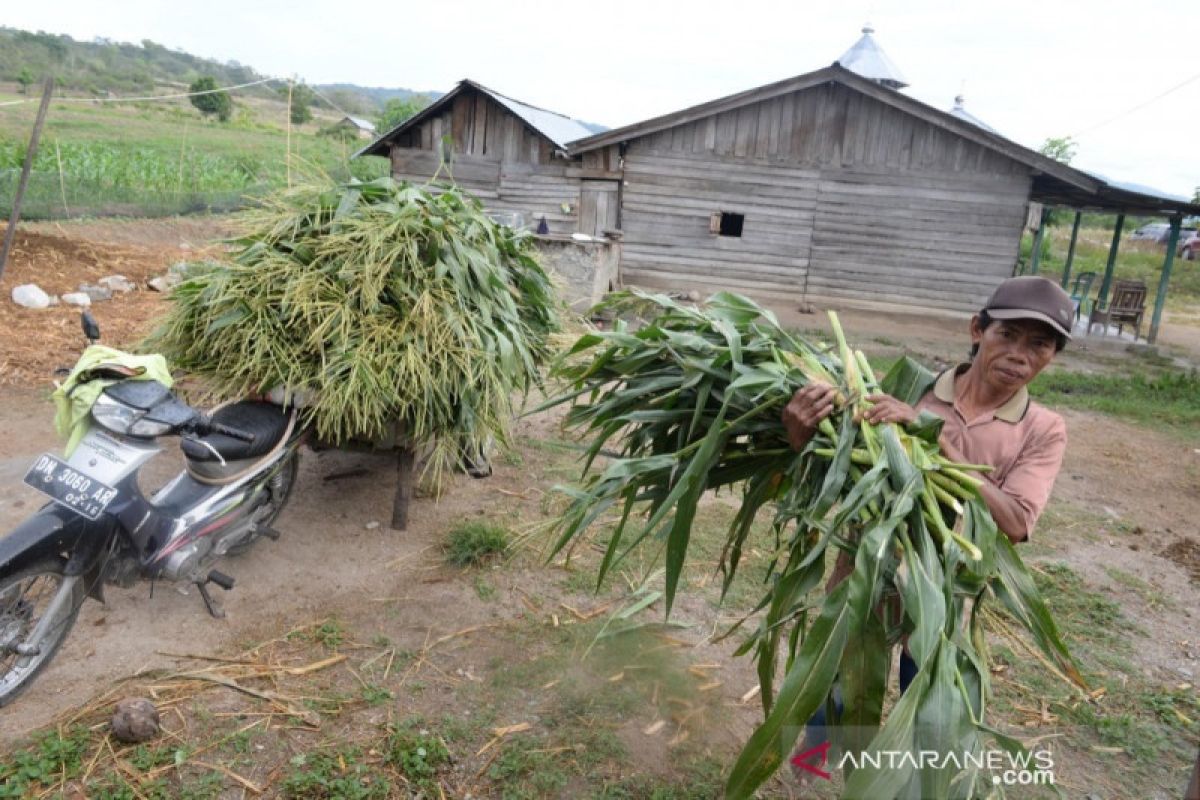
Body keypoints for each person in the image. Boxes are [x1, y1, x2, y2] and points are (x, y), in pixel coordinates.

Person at [781, 275, 1074, 761]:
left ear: (1052, 356)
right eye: (1008, 335)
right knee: (836, 688)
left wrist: (933, 436)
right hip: (865, 575)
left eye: (1039, 344)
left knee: (926, 710)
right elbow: (834, 465)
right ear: (978, 329)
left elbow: (1016, 521)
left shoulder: (1042, 429)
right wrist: (798, 433)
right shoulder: (907, 385)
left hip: (942, 595)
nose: (1020, 355)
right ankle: (812, 770)